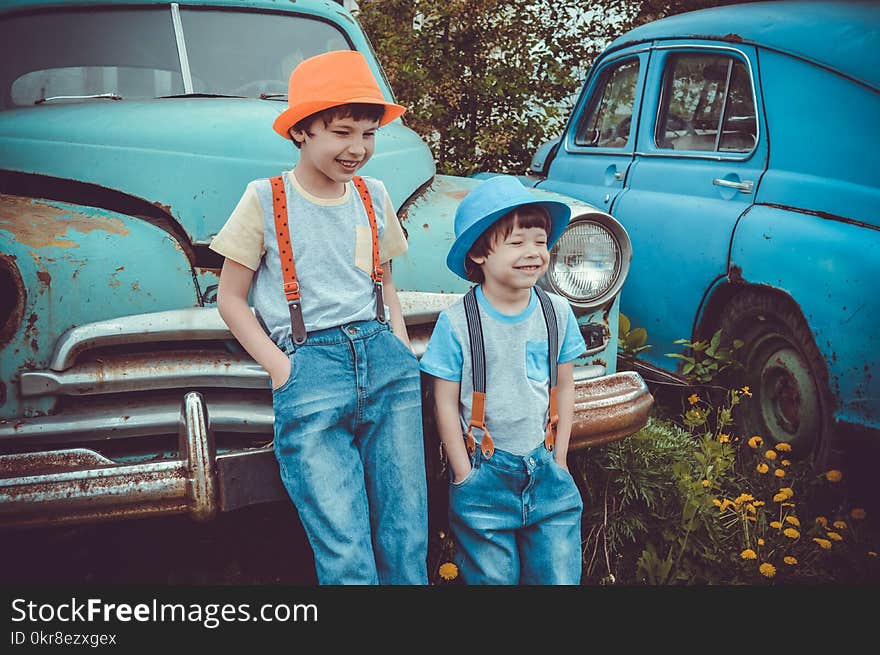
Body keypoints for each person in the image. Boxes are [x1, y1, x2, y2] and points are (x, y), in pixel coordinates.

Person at [209, 50, 428, 585]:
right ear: (302, 131)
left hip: (385, 362)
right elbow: (230, 298)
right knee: (342, 540)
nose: (357, 148)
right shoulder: (266, 198)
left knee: (407, 532)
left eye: (369, 134)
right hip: (310, 370)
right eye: (341, 132)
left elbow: (386, 282)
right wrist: (282, 370)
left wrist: (399, 347)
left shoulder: (373, 195)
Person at [419, 175, 587, 585]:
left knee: (559, 578)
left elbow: (565, 386)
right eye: (516, 242)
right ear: (479, 253)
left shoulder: (557, 313)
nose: (533, 252)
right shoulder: (458, 323)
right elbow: (444, 402)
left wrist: (561, 458)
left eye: (539, 240)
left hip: (547, 467)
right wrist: (463, 472)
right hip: (484, 477)